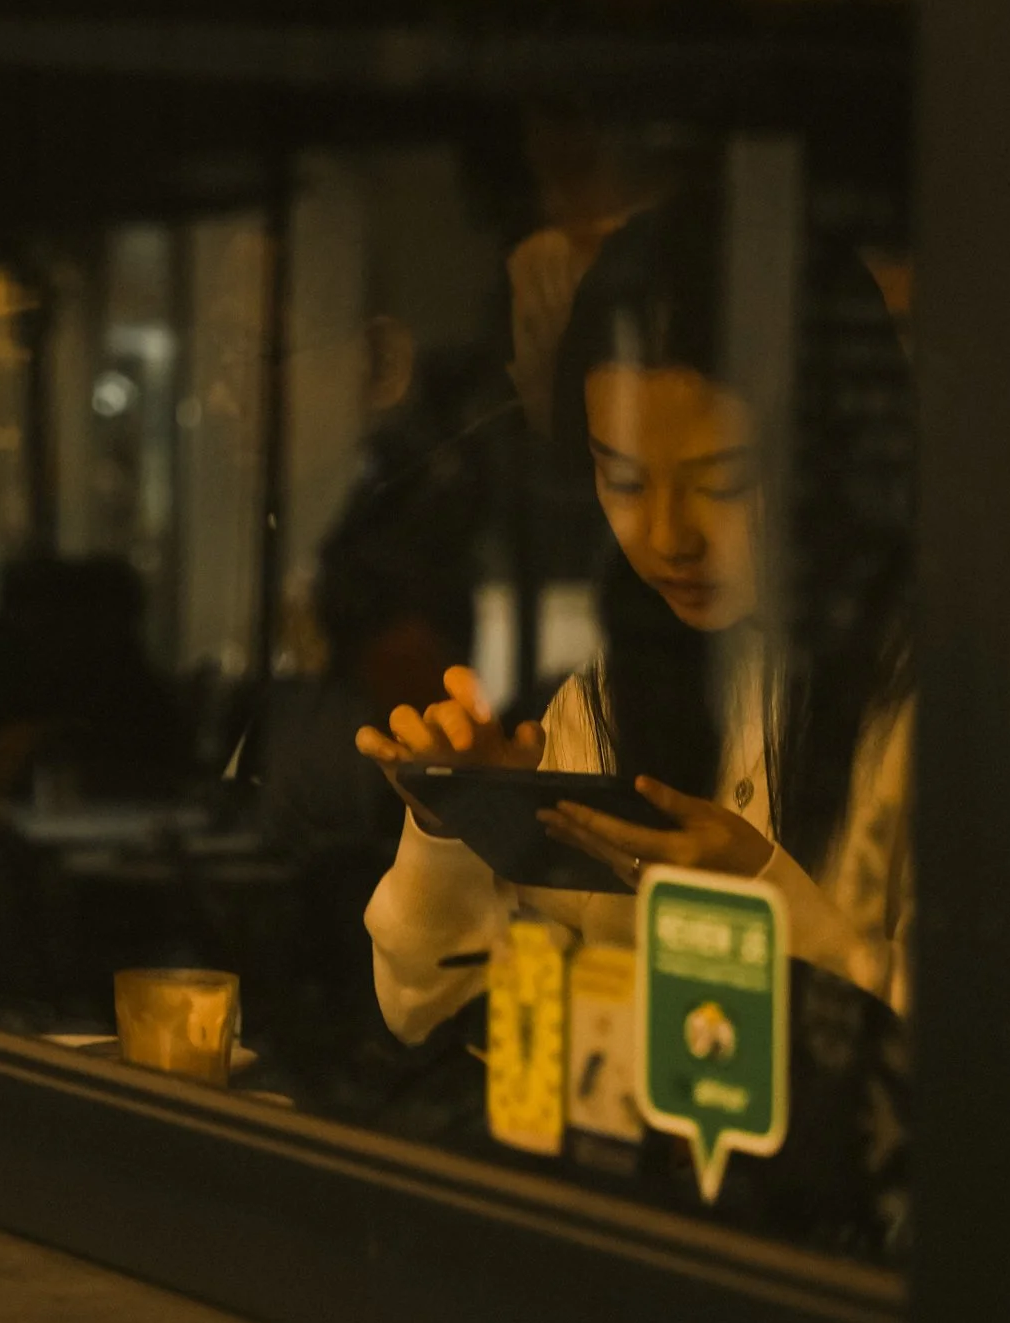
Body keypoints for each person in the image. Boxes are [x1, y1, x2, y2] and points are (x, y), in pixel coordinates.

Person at [357, 190, 913, 1046]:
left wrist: (774, 906)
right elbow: (433, 1014)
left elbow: (989, 1079)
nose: (664, 536)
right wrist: (457, 829)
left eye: (722, 482)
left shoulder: (929, 711)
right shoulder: (613, 696)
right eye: (621, 479)